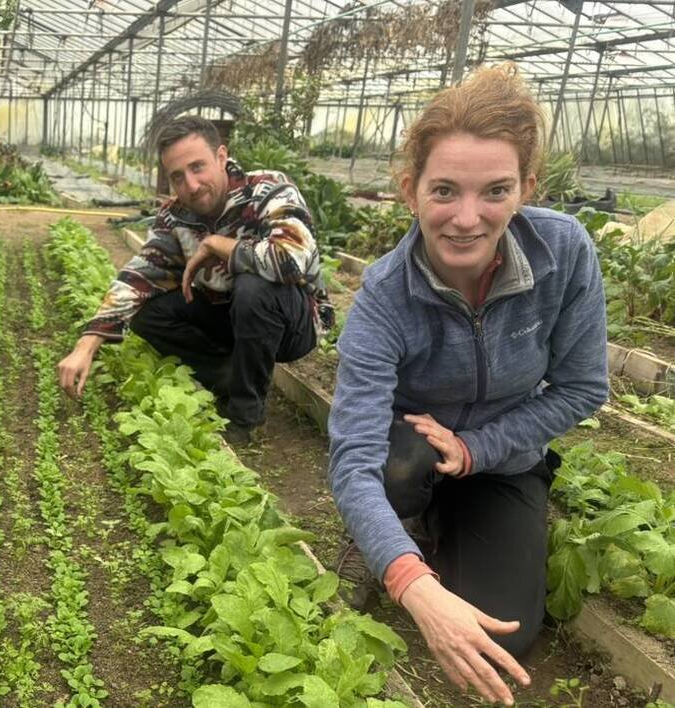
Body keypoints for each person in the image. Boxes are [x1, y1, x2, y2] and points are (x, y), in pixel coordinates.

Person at [328, 64, 608, 706]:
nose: (466, 218)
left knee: (505, 633)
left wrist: (476, 447)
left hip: (502, 459)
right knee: (395, 468)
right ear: (410, 191)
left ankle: (443, 520)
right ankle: (407, 526)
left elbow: (582, 387)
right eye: (445, 190)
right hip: (412, 450)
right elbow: (352, 459)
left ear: (526, 188)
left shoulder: (564, 253)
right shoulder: (384, 297)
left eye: (495, 191)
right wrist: (413, 585)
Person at [56, 115, 332, 444]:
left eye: (197, 167)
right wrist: (86, 345)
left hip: (293, 323)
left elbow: (290, 261)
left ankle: (245, 416)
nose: (191, 185)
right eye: (178, 176)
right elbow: (139, 275)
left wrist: (217, 245)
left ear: (221, 156)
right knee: (148, 311)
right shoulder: (175, 216)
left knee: (253, 286)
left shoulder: (270, 190)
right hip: (230, 314)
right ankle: (230, 376)